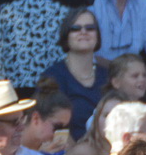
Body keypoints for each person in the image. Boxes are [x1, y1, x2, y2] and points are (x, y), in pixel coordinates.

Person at [36, 7, 106, 138]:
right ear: (66, 35)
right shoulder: (52, 76)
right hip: (65, 151)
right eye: (75, 28)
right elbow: (47, 125)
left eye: (90, 28)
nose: (83, 32)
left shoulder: (108, 76)